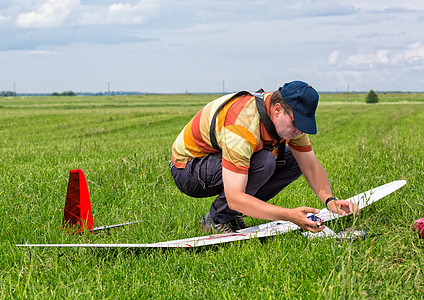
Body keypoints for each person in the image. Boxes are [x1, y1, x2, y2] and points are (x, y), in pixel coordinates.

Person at [169, 81, 359, 234]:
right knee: (264, 162)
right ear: (277, 110)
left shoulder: (289, 120)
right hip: (188, 169)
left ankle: (233, 214)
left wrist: (330, 200)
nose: (299, 130)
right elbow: (235, 197)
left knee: (294, 159)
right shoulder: (243, 125)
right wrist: (289, 215)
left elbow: (310, 166)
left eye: (304, 124)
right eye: (296, 123)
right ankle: (216, 220)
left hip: (216, 160)